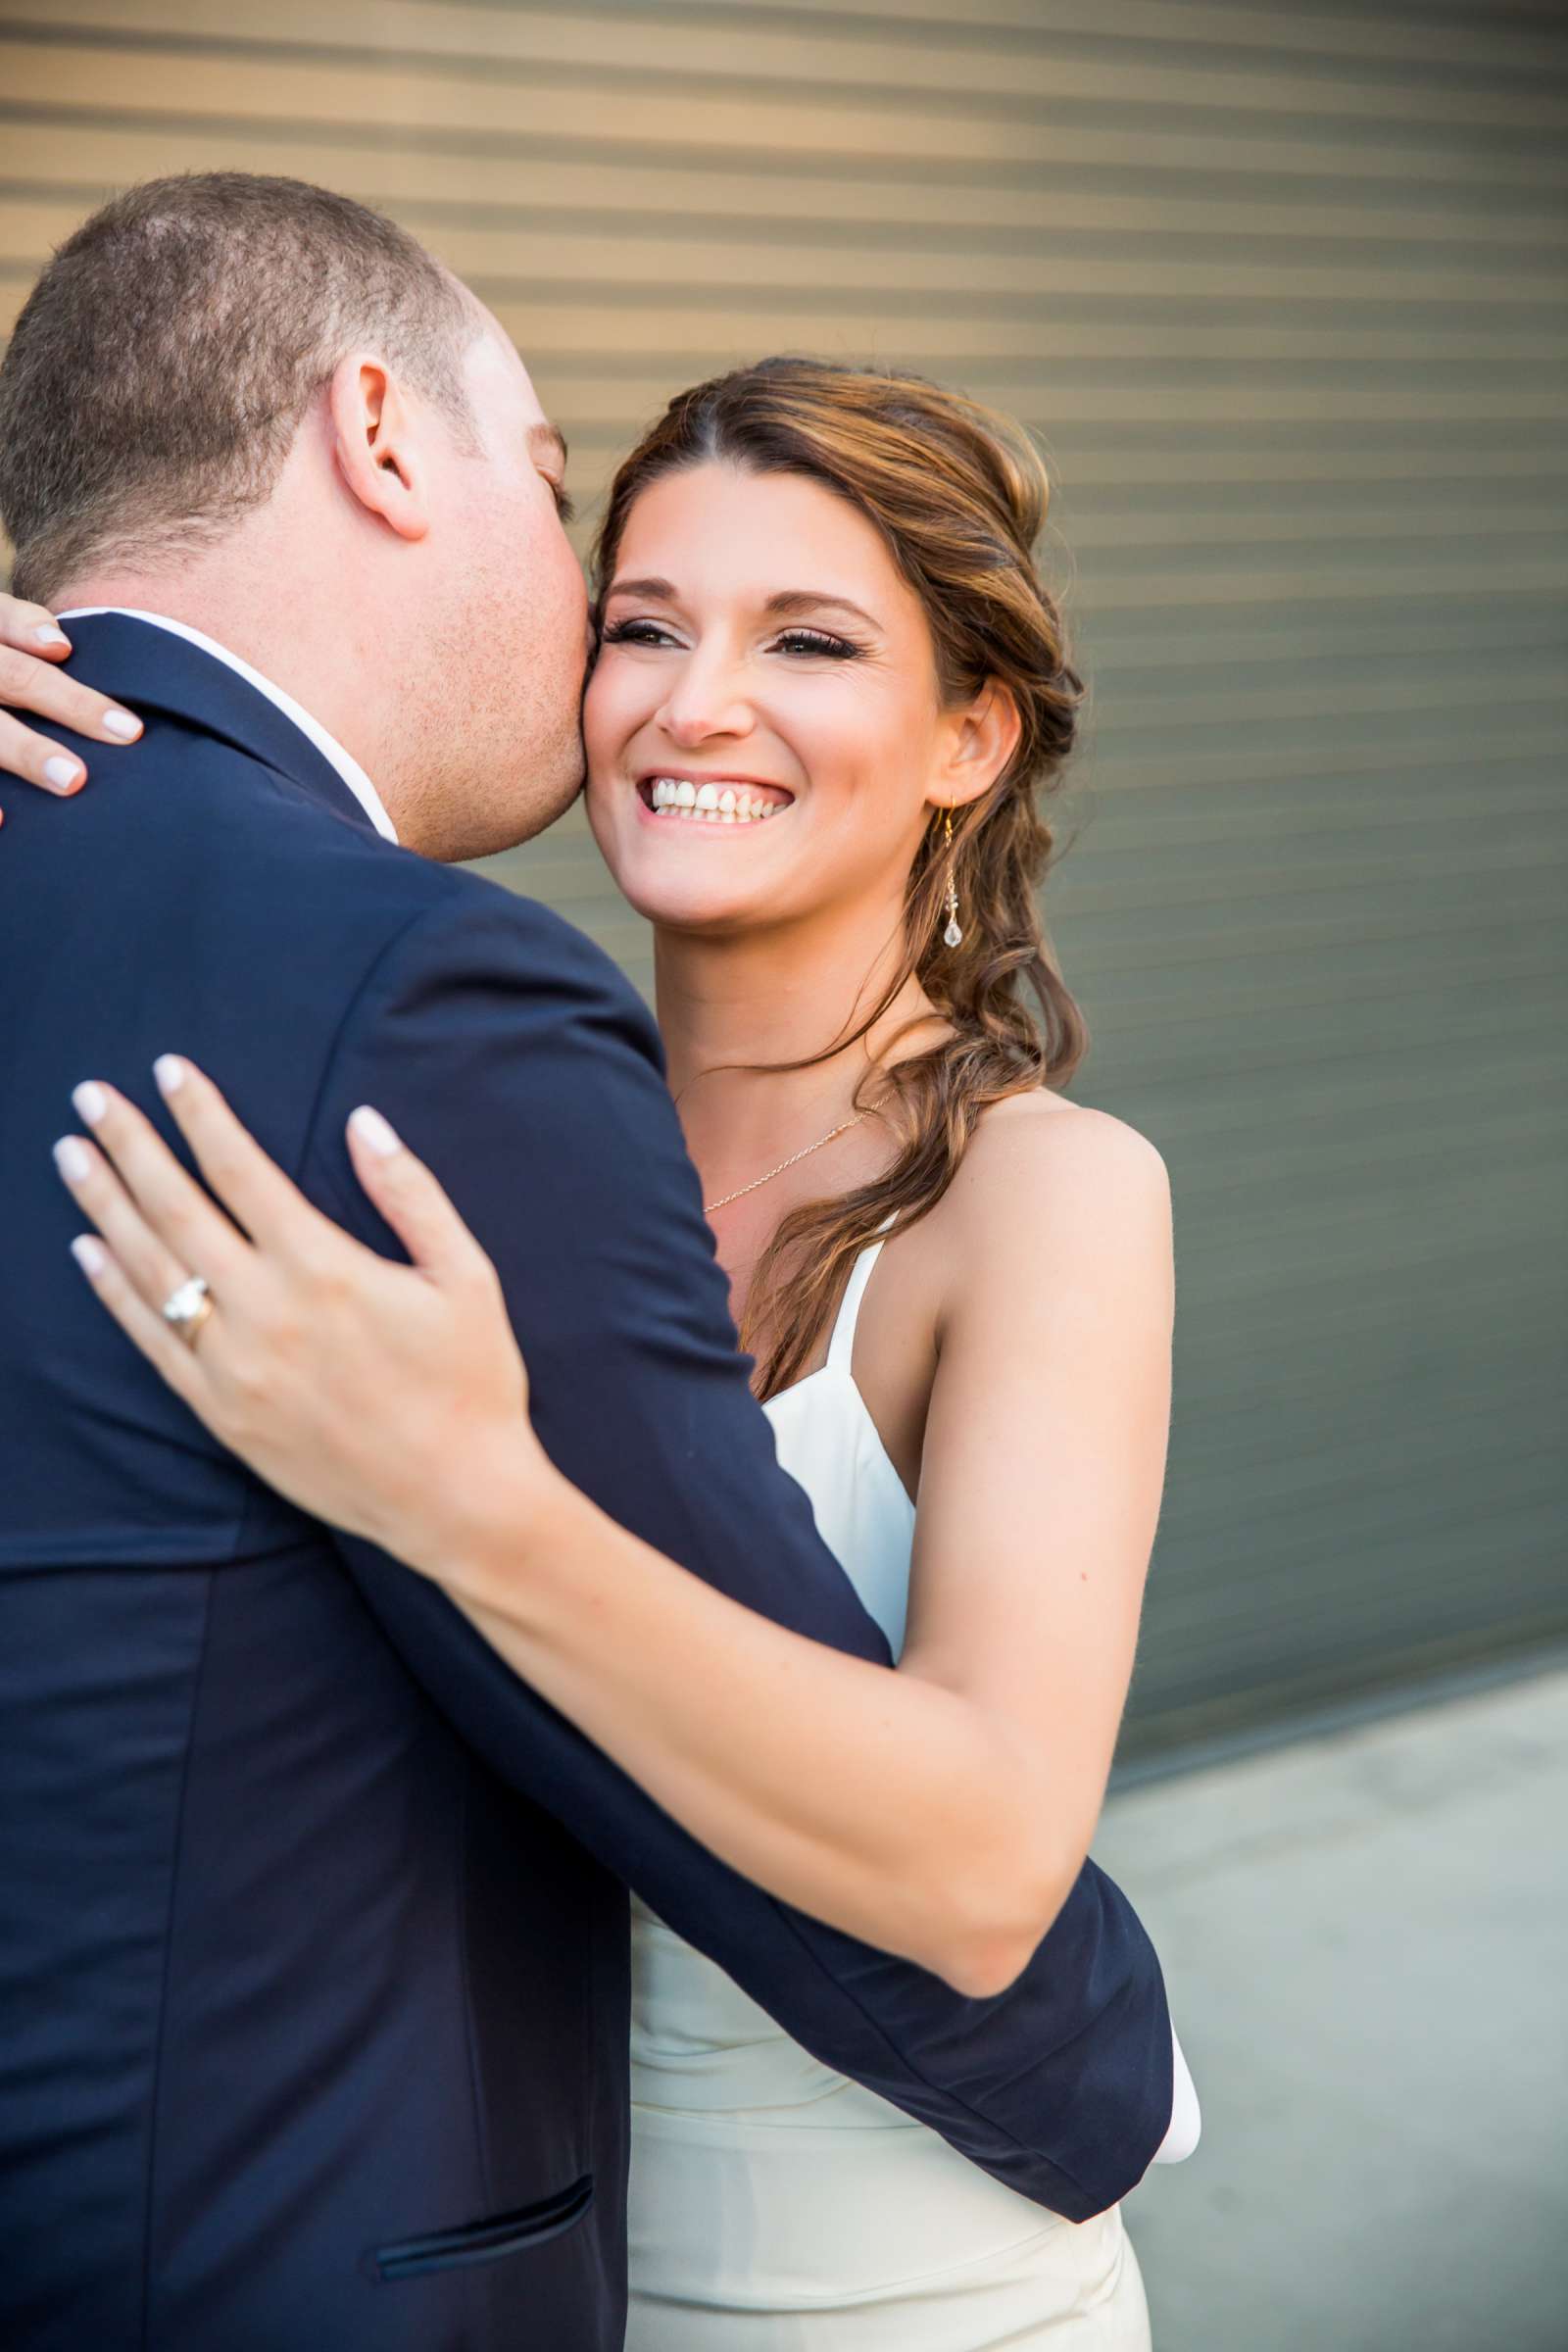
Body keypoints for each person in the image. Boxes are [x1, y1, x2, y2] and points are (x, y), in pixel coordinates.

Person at [0, 173, 1191, 2351]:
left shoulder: (1045, 1195)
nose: (687, 701)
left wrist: (475, 1501)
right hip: (501, 2245)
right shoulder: (473, 1086)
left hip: (891, 2285)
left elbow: (990, 1855)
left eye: (806, 642)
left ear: (966, 737)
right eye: (637, 618)